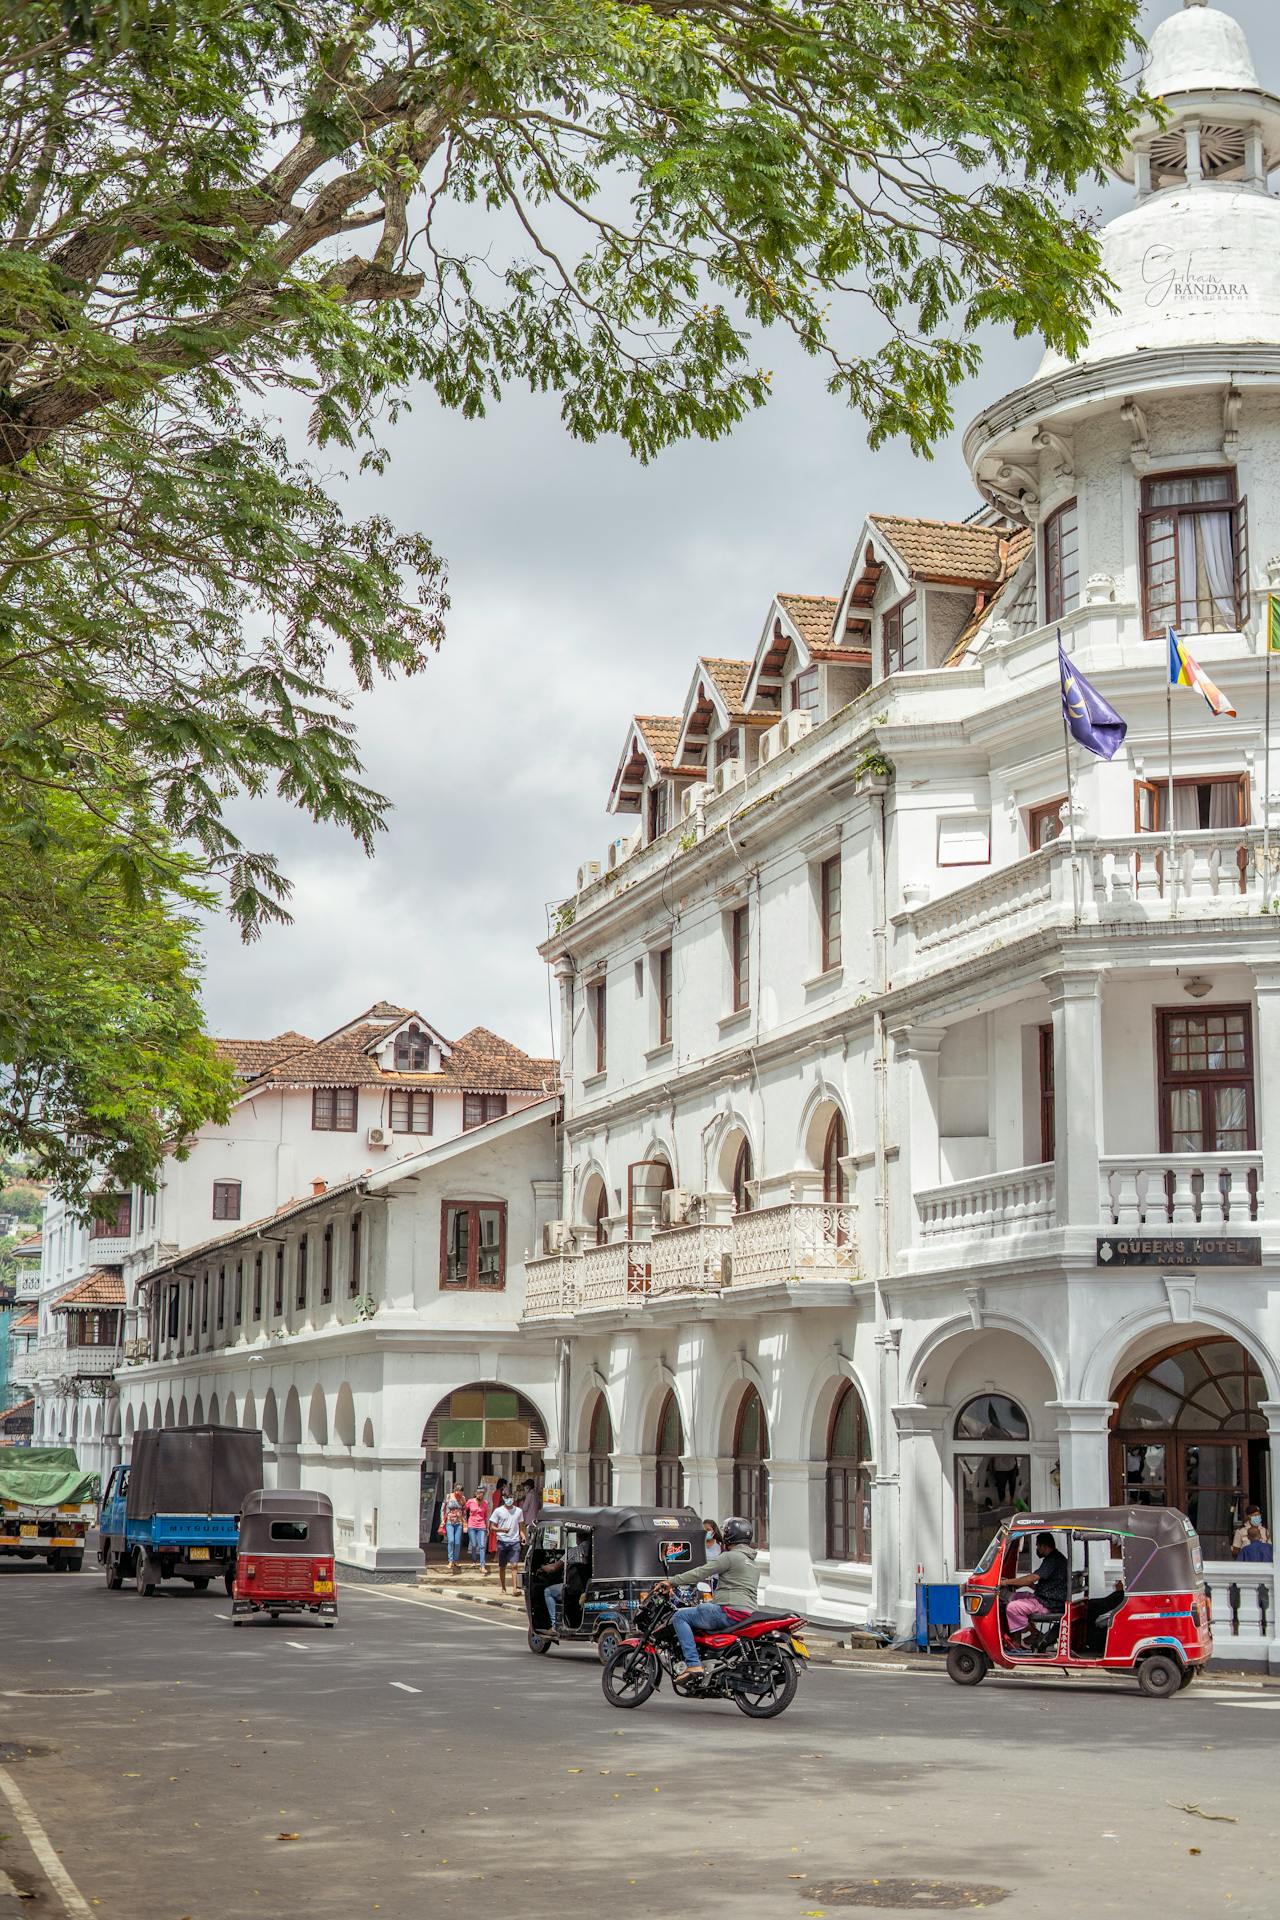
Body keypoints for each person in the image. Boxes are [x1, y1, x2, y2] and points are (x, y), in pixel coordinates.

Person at [657, 1516, 760, 1679]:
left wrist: (672, 1582)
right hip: (747, 1614)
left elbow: (701, 1572)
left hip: (727, 1611)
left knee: (680, 1616)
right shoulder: (752, 1563)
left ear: (729, 1535)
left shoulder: (730, 1557)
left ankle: (693, 1664)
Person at [1001, 1531, 1069, 1645]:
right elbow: (1044, 1583)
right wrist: (1022, 1583)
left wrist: (1006, 1582)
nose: (1037, 1548)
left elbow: (1032, 1578)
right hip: (1047, 1598)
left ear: (1044, 1546)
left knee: (1012, 1607)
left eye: (1037, 1545)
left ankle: (1035, 1633)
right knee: (1013, 1597)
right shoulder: (1055, 1558)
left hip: (1048, 1603)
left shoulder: (1052, 1560)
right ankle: (1017, 1641)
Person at [490, 1489, 526, 1594]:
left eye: (510, 1497)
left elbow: (521, 1526)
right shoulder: (498, 1511)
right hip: (502, 1541)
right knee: (502, 1566)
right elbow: (492, 1527)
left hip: (514, 1542)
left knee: (514, 1565)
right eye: (506, 1497)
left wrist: (522, 1536)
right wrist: (501, 1530)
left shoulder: (519, 1511)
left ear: (513, 1498)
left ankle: (515, 1589)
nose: (509, 1500)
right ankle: (503, 1587)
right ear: (503, 1498)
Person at [439, 1484, 465, 1575]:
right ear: (454, 1490)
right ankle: (450, 1560)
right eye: (458, 1490)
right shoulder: (448, 1496)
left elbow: (464, 1510)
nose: (459, 1492)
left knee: (457, 1542)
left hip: (459, 1522)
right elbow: (442, 1509)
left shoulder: (463, 1498)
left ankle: (455, 1560)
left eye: (461, 1490)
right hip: (449, 1522)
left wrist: (464, 1522)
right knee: (451, 1541)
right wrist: (442, 1520)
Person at [465, 1487, 490, 1574]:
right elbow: (464, 1511)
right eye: (479, 1493)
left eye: (482, 1493)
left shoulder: (485, 1503)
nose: (480, 1495)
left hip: (481, 1526)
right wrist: (464, 1522)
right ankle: (474, 1560)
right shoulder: (470, 1501)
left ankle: (482, 1565)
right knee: (474, 1544)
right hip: (471, 1525)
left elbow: (486, 1516)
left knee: (482, 1545)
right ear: (475, 1494)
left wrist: (487, 1527)